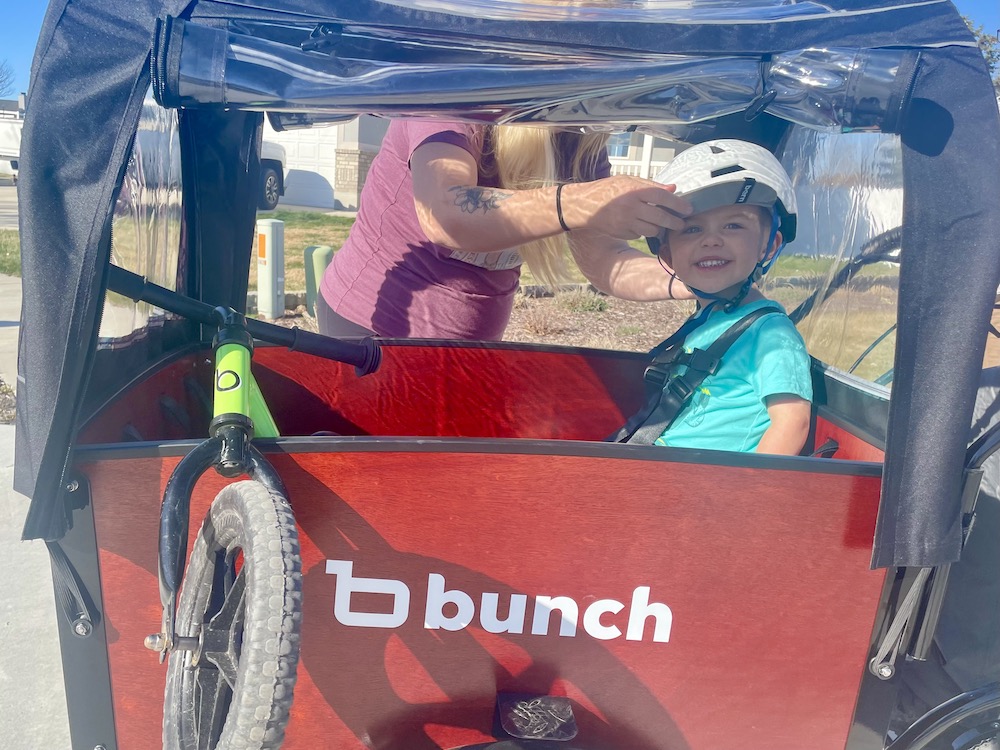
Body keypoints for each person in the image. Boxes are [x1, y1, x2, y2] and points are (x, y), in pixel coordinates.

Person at [317, 118, 696, 340]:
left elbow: (605, 259)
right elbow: (446, 212)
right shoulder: (458, 94)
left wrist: (690, 279)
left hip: (473, 343)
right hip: (371, 329)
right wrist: (581, 202)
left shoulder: (578, 136)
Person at [637, 138, 813, 455]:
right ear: (669, 254)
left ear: (769, 246)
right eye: (692, 230)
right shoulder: (710, 321)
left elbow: (791, 423)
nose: (711, 241)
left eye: (733, 225)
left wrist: (747, 497)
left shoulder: (771, 334)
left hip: (711, 492)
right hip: (665, 472)